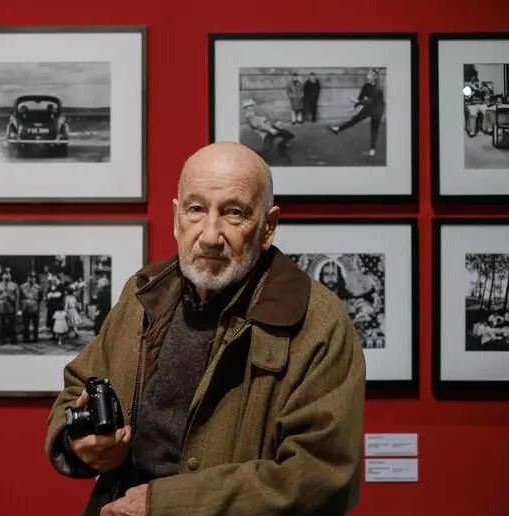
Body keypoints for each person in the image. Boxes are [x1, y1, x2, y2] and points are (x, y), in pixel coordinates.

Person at [44, 141, 366, 516]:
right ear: (176, 218)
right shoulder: (143, 294)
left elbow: (320, 477)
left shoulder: (318, 325)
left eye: (234, 213)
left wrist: (166, 505)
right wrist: (81, 442)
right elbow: (76, 391)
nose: (210, 236)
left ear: (268, 227)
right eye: (196, 210)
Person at [329, 68, 385, 158]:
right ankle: (338, 129)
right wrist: (353, 108)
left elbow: (371, 101)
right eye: (367, 74)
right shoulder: (365, 87)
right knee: (355, 119)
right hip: (369, 107)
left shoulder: (378, 89)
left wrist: (357, 101)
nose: (367, 76)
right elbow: (360, 99)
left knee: (374, 129)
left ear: (374, 77)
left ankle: (372, 150)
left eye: (369, 74)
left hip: (377, 110)